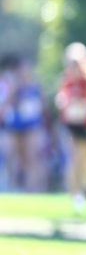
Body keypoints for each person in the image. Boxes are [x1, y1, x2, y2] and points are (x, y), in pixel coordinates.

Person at [55, 42, 86, 211]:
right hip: (70, 125)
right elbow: (61, 101)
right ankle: (74, 192)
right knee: (73, 158)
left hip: (85, 125)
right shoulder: (66, 81)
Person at [2, 57, 48, 192]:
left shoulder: (36, 88)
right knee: (13, 157)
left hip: (32, 126)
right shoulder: (13, 88)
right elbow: (5, 106)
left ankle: (32, 188)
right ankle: (14, 186)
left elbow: (43, 109)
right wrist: (14, 91)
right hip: (15, 126)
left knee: (32, 158)